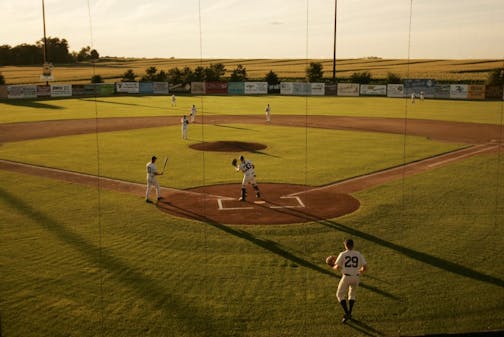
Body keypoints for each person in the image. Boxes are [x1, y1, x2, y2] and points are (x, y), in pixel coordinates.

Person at [331, 239, 367, 323]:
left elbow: (336, 267)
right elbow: (365, 267)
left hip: (346, 277)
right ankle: (349, 312)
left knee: (339, 295)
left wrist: (331, 265)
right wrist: (360, 270)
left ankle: (347, 313)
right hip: (356, 277)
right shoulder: (358, 254)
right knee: (352, 295)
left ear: (345, 245)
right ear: (353, 245)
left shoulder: (342, 254)